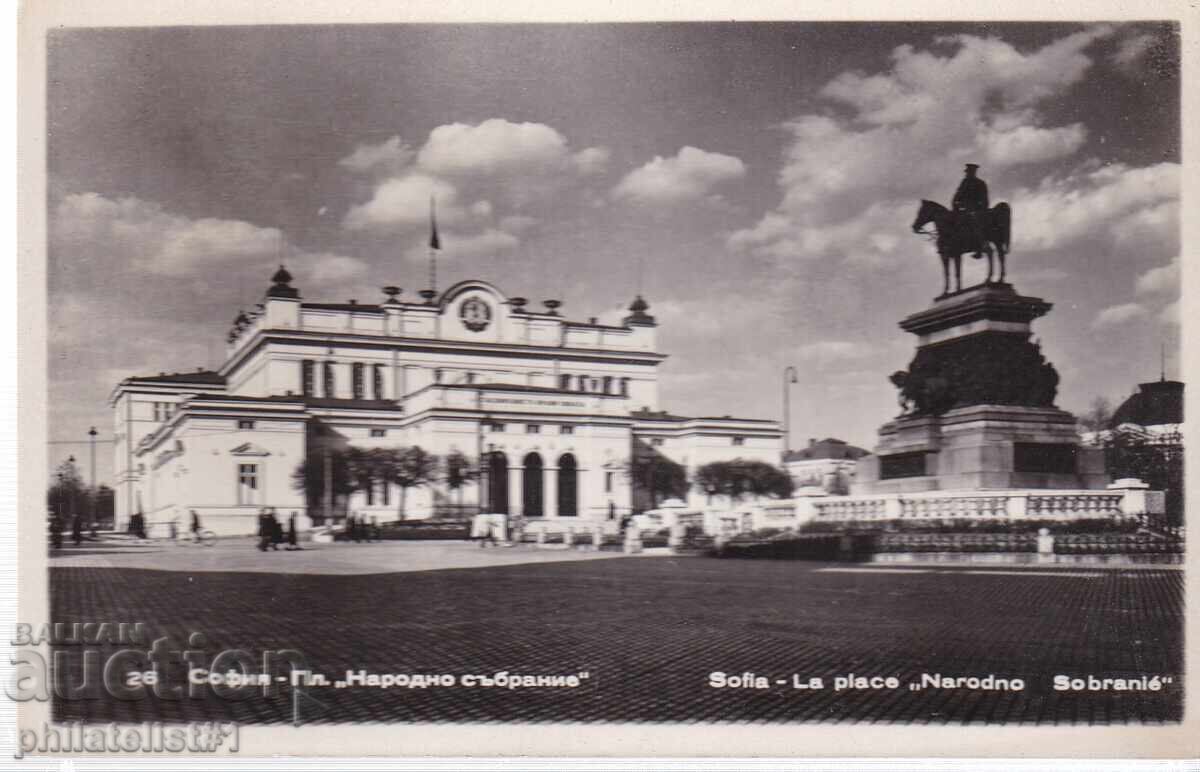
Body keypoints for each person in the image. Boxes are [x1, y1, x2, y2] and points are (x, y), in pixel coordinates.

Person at [952, 163, 989, 258]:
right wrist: (955, 205)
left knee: (975, 223)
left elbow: (985, 200)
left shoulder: (980, 183)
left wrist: (980, 209)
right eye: (967, 172)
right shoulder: (964, 182)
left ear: (974, 172)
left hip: (976, 210)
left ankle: (980, 247)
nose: (967, 174)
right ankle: (954, 246)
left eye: (969, 172)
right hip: (963, 209)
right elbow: (957, 195)